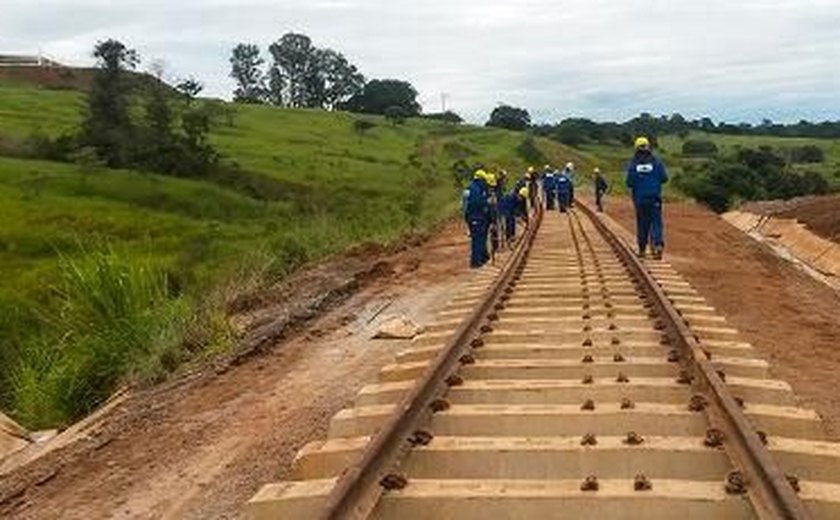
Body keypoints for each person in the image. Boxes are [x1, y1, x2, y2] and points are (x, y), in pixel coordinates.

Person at [626, 136, 668, 259]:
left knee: (642, 224)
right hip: (654, 198)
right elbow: (664, 178)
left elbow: (629, 183)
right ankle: (658, 245)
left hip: (640, 200)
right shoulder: (656, 162)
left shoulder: (633, 165)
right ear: (648, 147)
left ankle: (642, 250)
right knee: (656, 223)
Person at [465, 169, 491, 268]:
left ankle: (483, 257)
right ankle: (475, 262)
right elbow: (477, 203)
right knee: (477, 239)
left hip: (478, 217)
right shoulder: (475, 189)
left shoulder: (476, 188)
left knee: (482, 237)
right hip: (475, 216)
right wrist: (487, 202)